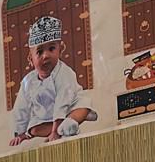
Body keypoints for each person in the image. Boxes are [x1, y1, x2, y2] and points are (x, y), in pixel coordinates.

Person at [9, 16, 97, 146]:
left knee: (83, 106)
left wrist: (55, 132)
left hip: (69, 106)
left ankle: (69, 123)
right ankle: (63, 127)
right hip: (45, 117)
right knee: (34, 129)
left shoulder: (64, 73)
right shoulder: (28, 82)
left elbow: (63, 101)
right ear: (30, 59)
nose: (45, 56)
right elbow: (21, 108)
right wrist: (20, 133)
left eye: (51, 49)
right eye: (39, 52)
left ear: (60, 49)